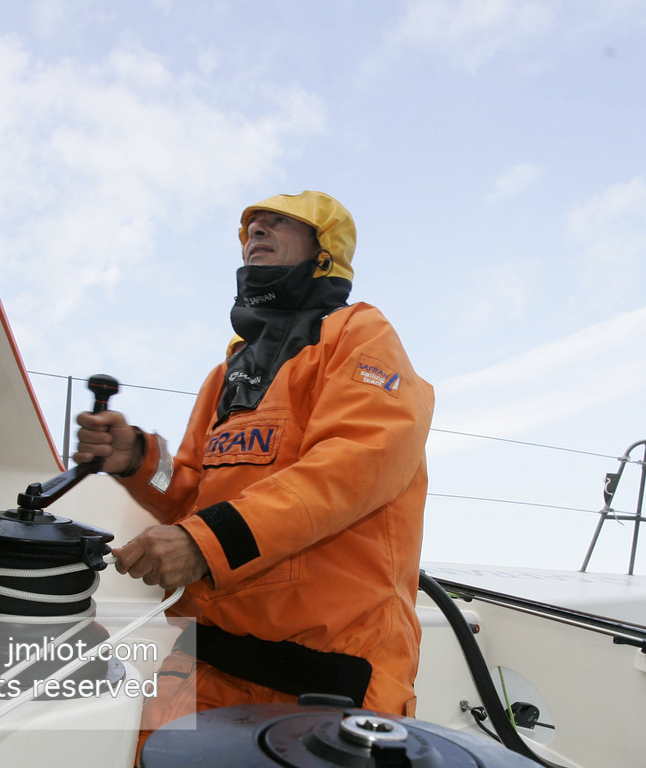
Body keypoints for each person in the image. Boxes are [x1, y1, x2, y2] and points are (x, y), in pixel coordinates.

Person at [76, 190, 433, 734]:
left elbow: (357, 462)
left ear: (325, 252)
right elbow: (191, 492)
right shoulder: (225, 374)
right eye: (252, 228)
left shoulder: (359, 336)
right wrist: (140, 462)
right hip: (203, 667)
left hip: (324, 681)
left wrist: (206, 543)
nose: (256, 232)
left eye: (278, 224)